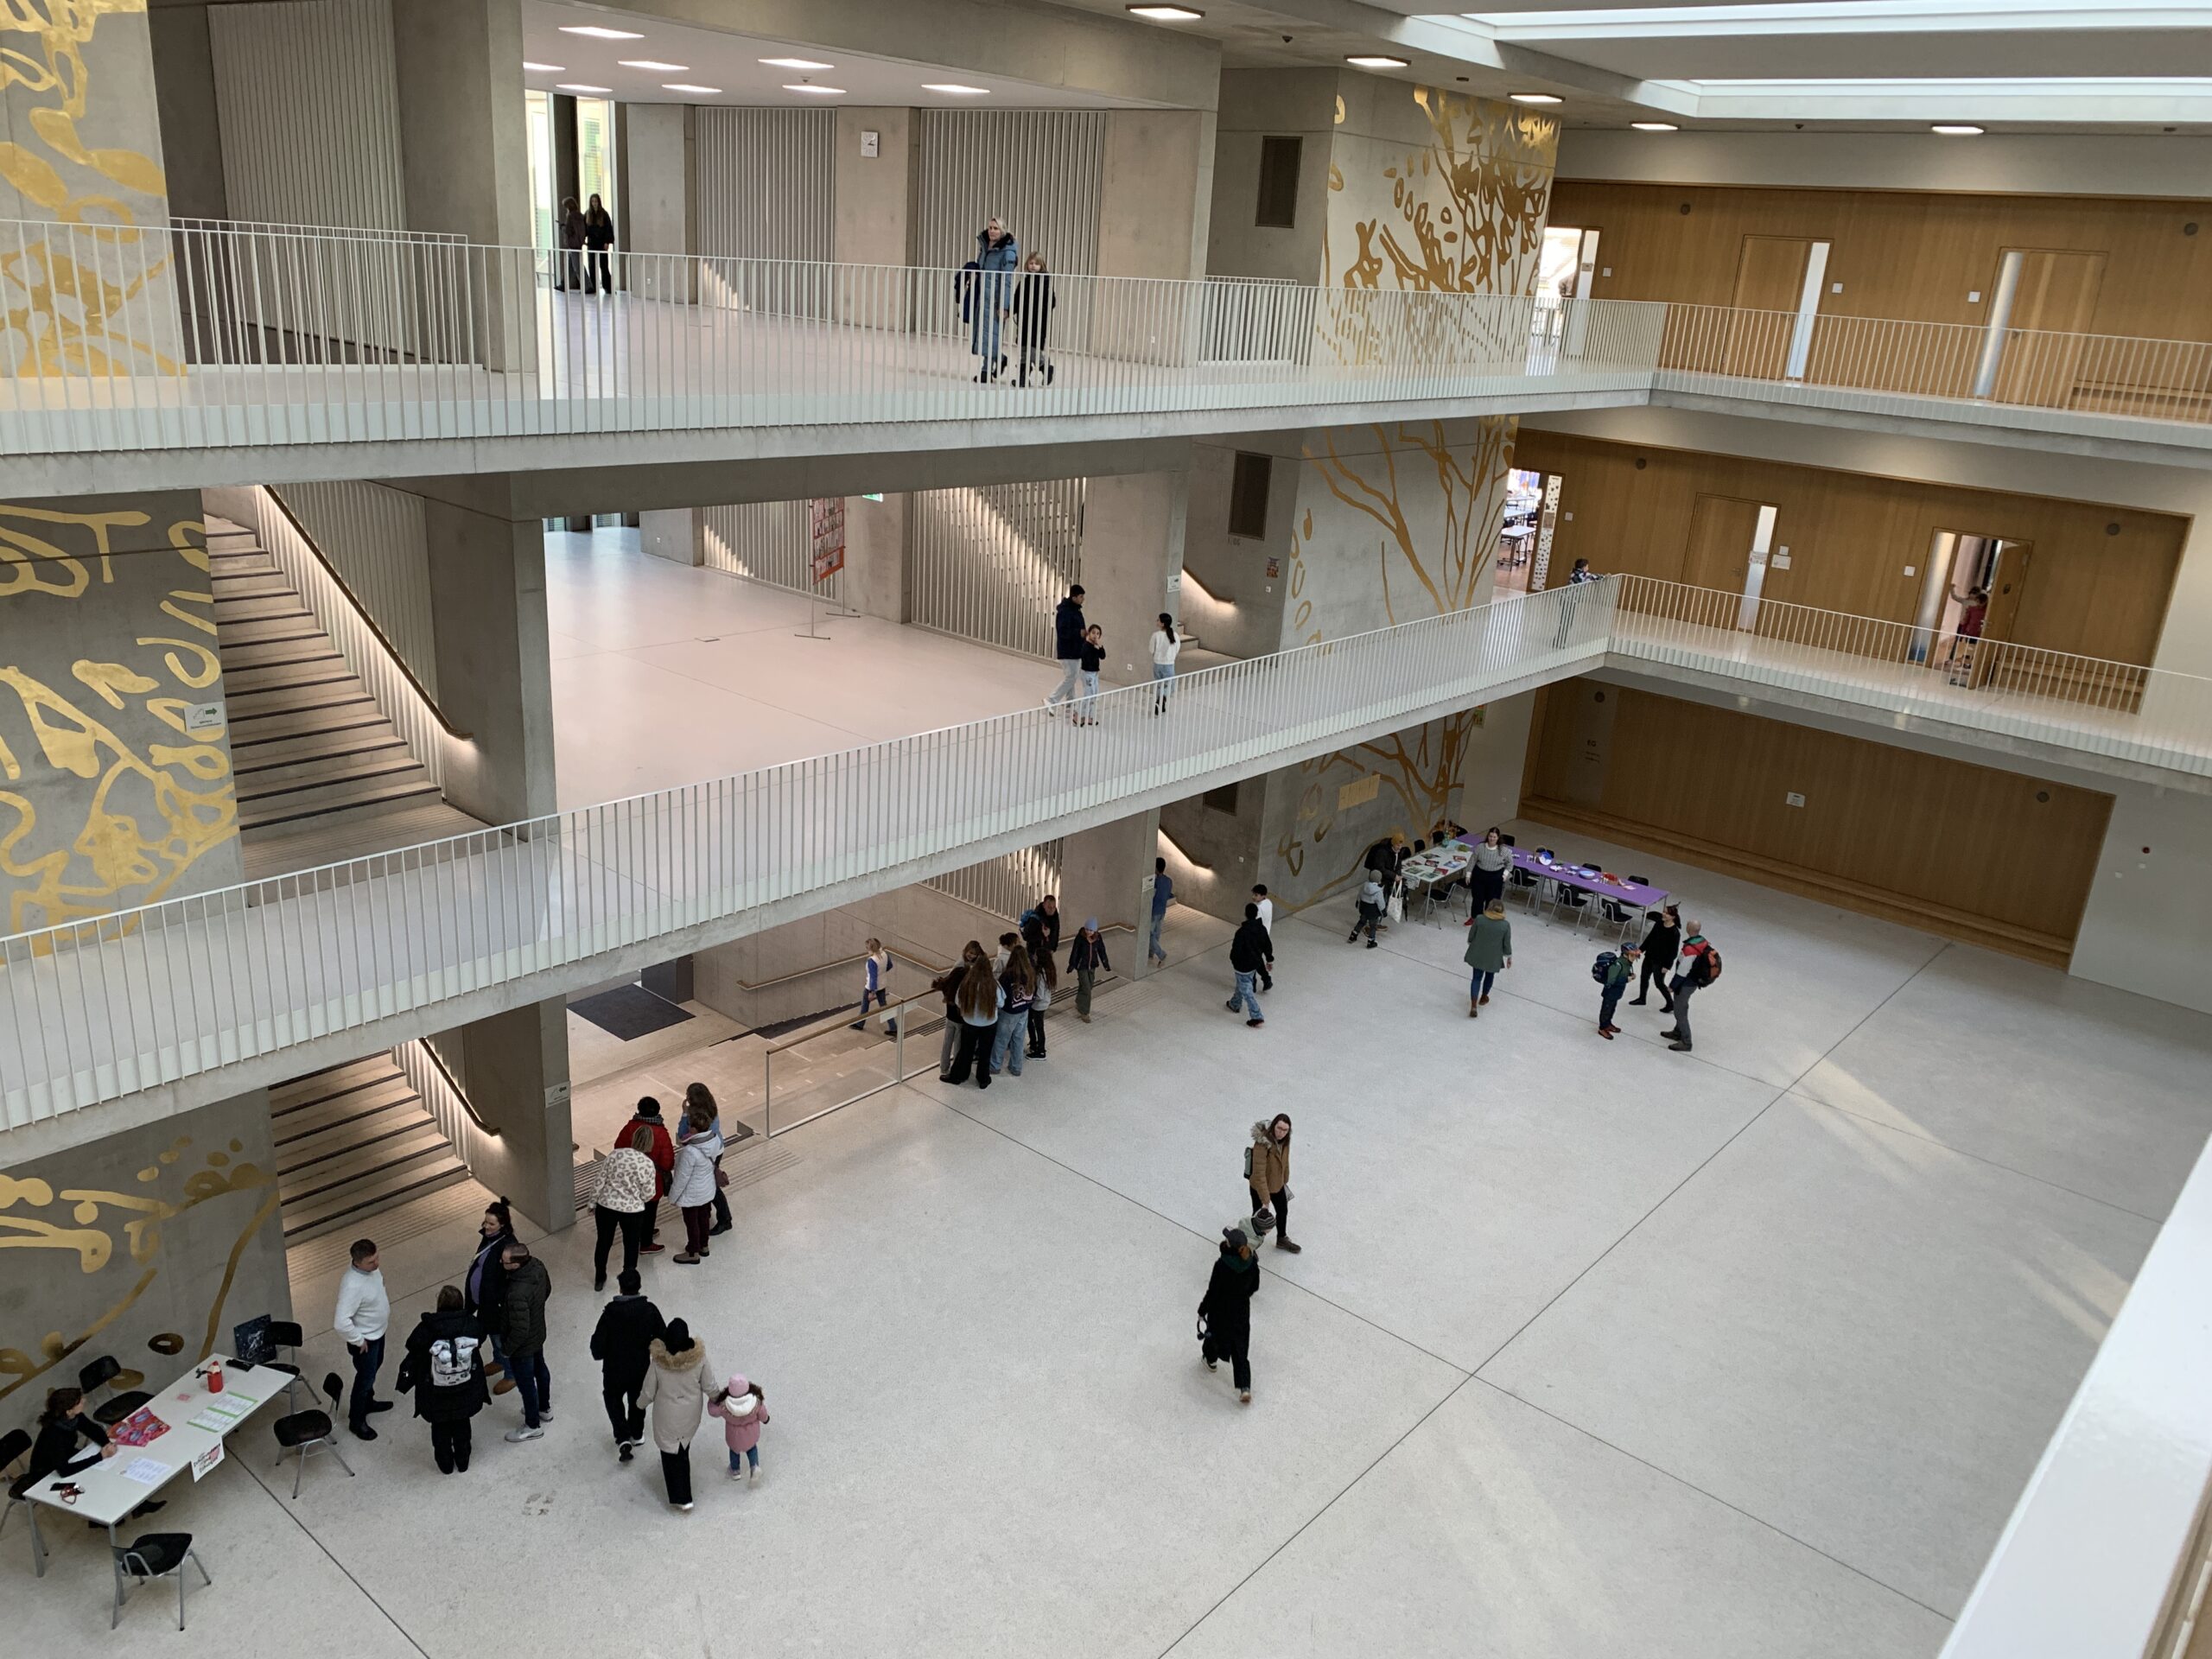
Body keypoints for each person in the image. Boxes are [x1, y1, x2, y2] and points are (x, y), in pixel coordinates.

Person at [397, 1287, 489, 1476]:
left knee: (440, 1430)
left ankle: (445, 1464)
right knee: (462, 1426)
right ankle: (463, 1461)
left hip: (435, 1393)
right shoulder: (471, 1324)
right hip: (465, 1389)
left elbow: (412, 1347)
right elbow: (481, 1337)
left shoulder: (426, 1328)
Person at [590, 1268, 665, 1463]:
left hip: (614, 1368)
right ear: (639, 1287)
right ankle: (637, 1432)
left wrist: (602, 1352)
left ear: (621, 1288)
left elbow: (597, 1347)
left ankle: (622, 1436)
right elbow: (662, 1338)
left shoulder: (610, 1313)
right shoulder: (649, 1310)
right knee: (637, 1399)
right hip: (640, 1366)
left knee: (612, 1398)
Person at [639, 1318, 715, 1512]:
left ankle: (680, 1496)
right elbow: (710, 1386)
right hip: (690, 1416)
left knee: (669, 1456)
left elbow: (648, 1392)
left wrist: (640, 1405)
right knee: (683, 1449)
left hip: (666, 1418)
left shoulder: (658, 1364)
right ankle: (685, 1494)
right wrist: (720, 1399)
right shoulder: (700, 1360)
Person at [334, 1237, 392, 1440]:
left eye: (377, 1258)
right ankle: (356, 1421)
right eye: (371, 1262)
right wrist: (359, 1340)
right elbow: (341, 1322)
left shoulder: (372, 1271)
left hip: (378, 1332)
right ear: (357, 1262)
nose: (376, 1264)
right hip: (366, 1341)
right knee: (365, 1379)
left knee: (375, 1368)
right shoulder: (352, 1286)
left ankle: (369, 1402)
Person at [589, 1127, 658, 1293]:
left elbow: (600, 1181)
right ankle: (628, 1277)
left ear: (634, 1138)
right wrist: (637, 1198)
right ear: (650, 1143)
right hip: (633, 1212)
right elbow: (649, 1194)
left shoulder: (615, 1155)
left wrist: (592, 1203)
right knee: (631, 1244)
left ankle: (600, 1277)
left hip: (607, 1206)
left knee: (604, 1242)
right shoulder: (648, 1164)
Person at [497, 1240, 553, 1442]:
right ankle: (544, 1408)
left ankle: (532, 1425)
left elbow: (520, 1329)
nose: (501, 1263)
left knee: (526, 1383)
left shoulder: (516, 1292)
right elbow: (547, 1290)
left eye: (504, 1262)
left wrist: (507, 1350)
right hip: (538, 1333)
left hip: (522, 1346)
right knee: (541, 1369)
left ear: (515, 1265)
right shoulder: (537, 1265)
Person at [1198, 1225, 1260, 1404]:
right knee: (1240, 1347)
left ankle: (1211, 1361)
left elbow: (1213, 1290)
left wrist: (1203, 1310)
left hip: (1220, 1310)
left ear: (1229, 1245)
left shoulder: (1222, 1264)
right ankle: (1244, 1387)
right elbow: (1255, 1286)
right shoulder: (1252, 1263)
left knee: (1214, 1337)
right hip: (1241, 1310)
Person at [464, 1198, 517, 1385]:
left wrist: (498, 1300)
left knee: (499, 1338)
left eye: (491, 1223)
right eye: (485, 1221)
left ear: (502, 1225)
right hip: (482, 1302)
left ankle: (511, 1374)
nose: (486, 1226)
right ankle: (499, 1361)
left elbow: (511, 1279)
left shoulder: (508, 1246)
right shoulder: (489, 1237)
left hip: (495, 1306)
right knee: (493, 1336)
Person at [668, 1103, 721, 1265]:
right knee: (704, 1218)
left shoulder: (689, 1152)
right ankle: (704, 1246)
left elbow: (681, 1178)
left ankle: (693, 1252)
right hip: (707, 1189)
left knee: (692, 1223)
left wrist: (673, 1197)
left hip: (692, 1193)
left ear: (694, 1129)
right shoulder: (715, 1140)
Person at [945, 943, 1004, 1087]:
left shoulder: (968, 983)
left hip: (970, 1023)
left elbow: (958, 1001)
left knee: (965, 1051)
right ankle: (983, 1079)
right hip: (989, 1024)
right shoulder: (993, 985)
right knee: (985, 1053)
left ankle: (959, 1076)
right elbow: (1001, 1003)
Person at [621, 1098, 676, 1254]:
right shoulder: (661, 1133)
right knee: (650, 1210)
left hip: (631, 1178)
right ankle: (646, 1242)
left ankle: (639, 1232)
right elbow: (667, 1162)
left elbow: (618, 1147)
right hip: (652, 1181)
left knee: (637, 1208)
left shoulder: (630, 1127)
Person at [683, 1080, 734, 1237]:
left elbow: (682, 1133)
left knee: (712, 1186)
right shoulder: (712, 1109)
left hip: (706, 1152)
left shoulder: (696, 1116)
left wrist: (685, 1113)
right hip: (716, 1149)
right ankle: (709, 1210)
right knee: (710, 1182)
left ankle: (725, 1219)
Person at [1662, 923, 1719, 1053]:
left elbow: (1683, 971)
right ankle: (1678, 1032)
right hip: (1693, 982)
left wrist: (1672, 986)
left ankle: (1686, 1042)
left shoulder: (1690, 949)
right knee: (1682, 1007)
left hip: (1686, 984)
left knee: (1680, 1011)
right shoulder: (1702, 942)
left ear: (1689, 929)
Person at [1246, 1114, 1298, 1253]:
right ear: (1274, 1125)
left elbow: (1285, 1161)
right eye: (1279, 1128)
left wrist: (1284, 1179)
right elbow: (1259, 1173)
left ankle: (1282, 1238)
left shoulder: (1285, 1141)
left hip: (1277, 1185)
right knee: (1259, 1219)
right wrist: (1265, 1200)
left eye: (1285, 1130)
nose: (1281, 1132)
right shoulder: (1262, 1144)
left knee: (1282, 1211)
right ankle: (1250, 1247)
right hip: (1259, 1187)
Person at [709, 1374, 771, 1485]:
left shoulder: (724, 1406)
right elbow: (763, 1415)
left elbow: (713, 1412)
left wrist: (712, 1400)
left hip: (734, 1437)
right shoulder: (755, 1402)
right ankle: (754, 1467)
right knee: (752, 1449)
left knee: (734, 1451)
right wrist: (766, 1420)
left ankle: (735, 1470)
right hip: (751, 1435)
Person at [934, 943, 984, 1080]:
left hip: (950, 1014)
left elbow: (945, 984)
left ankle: (944, 1068)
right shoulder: (967, 975)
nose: (971, 955)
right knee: (958, 1045)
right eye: (970, 953)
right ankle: (955, 1069)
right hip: (961, 1016)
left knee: (947, 1042)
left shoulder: (956, 972)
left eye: (973, 954)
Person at [1020, 896, 1062, 1058]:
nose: (1052, 909)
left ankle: (1039, 1048)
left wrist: (1048, 938)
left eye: (1054, 907)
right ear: (1044, 905)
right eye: (1049, 907)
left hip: (1038, 1002)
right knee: (1038, 1023)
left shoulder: (1041, 973)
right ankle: (1037, 1046)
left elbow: (1055, 935)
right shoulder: (1036, 917)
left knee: (1035, 1022)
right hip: (1043, 1001)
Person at [991, 936, 1036, 1079]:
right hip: (1024, 1009)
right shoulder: (1030, 972)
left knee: (1001, 1039)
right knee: (1019, 1038)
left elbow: (1002, 994)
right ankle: (1016, 1067)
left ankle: (995, 1066)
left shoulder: (1008, 975)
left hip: (1009, 1012)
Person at [1012, 251, 1056, 386]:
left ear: (1041, 266)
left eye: (1036, 263)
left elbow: (1052, 302)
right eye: (1031, 263)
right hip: (1024, 320)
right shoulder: (1024, 281)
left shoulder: (1045, 281)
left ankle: (1044, 367)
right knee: (1024, 347)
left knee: (1033, 348)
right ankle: (1023, 378)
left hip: (1038, 321)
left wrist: (1040, 310)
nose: (1033, 266)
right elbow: (1017, 299)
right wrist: (1011, 311)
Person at [1464, 899, 1513, 1017]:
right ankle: (1484, 996)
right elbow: (1506, 944)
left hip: (1478, 954)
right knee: (1489, 976)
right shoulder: (1505, 925)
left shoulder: (1480, 919)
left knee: (1476, 978)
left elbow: (1471, 936)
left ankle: (1474, 1005)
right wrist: (1509, 957)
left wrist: (1471, 942)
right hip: (1494, 957)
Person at [1228, 902, 1271, 1027]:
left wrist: (1234, 960)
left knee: (1246, 989)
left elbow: (1236, 950)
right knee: (1242, 983)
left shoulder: (1242, 932)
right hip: (1255, 963)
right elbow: (1267, 945)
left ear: (1245, 914)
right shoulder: (1261, 929)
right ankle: (1235, 1003)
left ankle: (1257, 1016)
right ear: (1257, 914)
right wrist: (1269, 959)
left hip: (1242, 965)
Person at [1047, 584, 1087, 714]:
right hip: (1068, 651)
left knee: (1071, 677)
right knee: (1071, 677)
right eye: (1081, 597)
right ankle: (1051, 700)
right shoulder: (1065, 612)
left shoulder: (1076, 610)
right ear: (1074, 597)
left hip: (1075, 650)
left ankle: (1070, 703)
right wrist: (1078, 633)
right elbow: (1062, 632)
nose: (1083, 599)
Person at [1632, 905, 1681, 1010]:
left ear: (1673, 917)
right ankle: (1642, 998)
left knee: (1659, 983)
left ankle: (1670, 1003)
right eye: (1664, 912)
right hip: (1649, 956)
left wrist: (1667, 966)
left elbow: (1673, 952)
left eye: (1666, 913)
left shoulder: (1674, 932)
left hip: (1660, 962)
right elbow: (1650, 938)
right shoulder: (1659, 924)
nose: (1663, 914)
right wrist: (1641, 949)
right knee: (1644, 977)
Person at [1067, 918, 1109, 1022]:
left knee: (1088, 986)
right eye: (1087, 929)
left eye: (1091, 930)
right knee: (1087, 990)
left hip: (1092, 966)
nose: (1088, 932)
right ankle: (1085, 1012)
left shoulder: (1098, 938)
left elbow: (1102, 951)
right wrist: (1072, 965)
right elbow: (1075, 951)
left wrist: (1106, 964)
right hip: (1082, 967)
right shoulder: (1080, 937)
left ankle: (1079, 1001)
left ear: (1095, 931)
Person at [1598, 941, 1639, 1039]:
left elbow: (1625, 973)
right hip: (1610, 993)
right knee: (1606, 1010)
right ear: (1626, 954)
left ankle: (1608, 1023)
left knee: (1612, 1009)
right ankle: (1602, 1028)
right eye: (1633, 955)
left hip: (1617, 992)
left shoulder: (1627, 964)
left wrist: (1630, 975)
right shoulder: (1617, 965)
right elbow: (1611, 981)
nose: (1635, 958)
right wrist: (1626, 979)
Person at [850, 938, 893, 1030]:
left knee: (865, 1005)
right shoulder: (884, 954)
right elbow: (890, 965)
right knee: (884, 1006)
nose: (867, 950)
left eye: (867, 948)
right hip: (882, 984)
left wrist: (872, 992)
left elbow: (873, 977)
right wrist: (881, 973)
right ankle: (893, 1027)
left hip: (871, 987)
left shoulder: (872, 960)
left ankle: (860, 1024)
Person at [1468, 827, 1510, 917]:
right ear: (1488, 836)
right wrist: (1468, 874)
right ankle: (1475, 918)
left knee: (1492, 900)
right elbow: (1472, 860)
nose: (1492, 839)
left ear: (1498, 838)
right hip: (1479, 876)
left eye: (1494, 837)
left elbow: (1510, 864)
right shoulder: (1480, 847)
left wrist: (1505, 874)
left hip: (1495, 878)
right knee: (1477, 899)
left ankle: (1489, 918)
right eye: (1490, 836)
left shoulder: (1504, 850)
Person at [583, 193, 615, 295]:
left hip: (602, 244)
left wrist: (607, 242)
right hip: (592, 243)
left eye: (596, 201)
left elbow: (608, 229)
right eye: (592, 201)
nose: (594, 203)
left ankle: (608, 287)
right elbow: (584, 228)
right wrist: (582, 240)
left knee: (604, 266)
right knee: (592, 265)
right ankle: (593, 287)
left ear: (599, 202)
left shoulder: (604, 214)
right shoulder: (587, 214)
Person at [1075, 624, 1105, 726]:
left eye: (1098, 634)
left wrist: (1099, 646)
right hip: (1087, 673)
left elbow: (1103, 656)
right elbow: (1087, 659)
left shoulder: (1096, 646)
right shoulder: (1086, 646)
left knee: (1094, 695)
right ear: (1089, 633)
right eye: (1093, 633)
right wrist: (1094, 648)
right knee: (1088, 695)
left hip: (1095, 674)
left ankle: (1089, 716)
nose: (1095, 636)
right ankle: (1078, 715)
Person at [1149, 613, 1179, 715]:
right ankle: (1162, 700)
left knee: (1159, 684)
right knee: (1170, 685)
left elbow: (1151, 650)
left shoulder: (1155, 635)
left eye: (1158, 620)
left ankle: (1160, 702)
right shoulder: (1175, 635)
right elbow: (1177, 649)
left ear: (1162, 623)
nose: (1156, 621)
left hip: (1157, 664)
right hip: (1169, 664)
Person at [557, 196, 587, 292]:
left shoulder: (571, 216)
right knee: (570, 266)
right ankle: (563, 284)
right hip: (578, 243)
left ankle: (587, 286)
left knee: (577, 266)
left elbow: (569, 231)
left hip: (572, 244)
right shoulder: (580, 216)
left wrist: (562, 227)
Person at [1250, 886, 1275, 990]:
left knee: (1254, 960)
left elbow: (1255, 924)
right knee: (1258, 959)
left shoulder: (1258, 908)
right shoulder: (1269, 903)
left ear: (1263, 895)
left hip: (1257, 938)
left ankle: (1255, 982)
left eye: (1256, 895)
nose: (1253, 897)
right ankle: (1266, 980)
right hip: (1265, 935)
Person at [1350, 871, 1384, 947]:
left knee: (1361, 922)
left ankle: (1353, 935)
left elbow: (1359, 895)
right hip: (1373, 912)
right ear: (1379, 880)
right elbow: (1380, 903)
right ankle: (1371, 941)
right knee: (1373, 926)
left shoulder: (1364, 886)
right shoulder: (1378, 891)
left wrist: (1357, 903)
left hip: (1364, 909)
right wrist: (1383, 912)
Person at [1147, 856, 1172, 965]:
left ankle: (1160, 954)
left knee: (1149, 934)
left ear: (1156, 868)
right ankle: (1150, 953)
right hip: (1163, 910)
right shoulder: (1169, 881)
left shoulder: (1155, 882)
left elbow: (1151, 895)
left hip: (1154, 911)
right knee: (1157, 933)